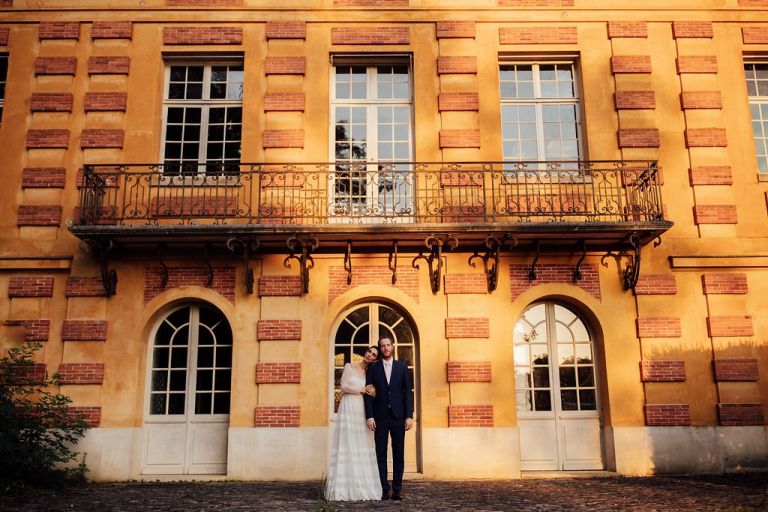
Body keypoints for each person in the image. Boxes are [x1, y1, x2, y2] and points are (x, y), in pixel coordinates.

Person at [325, 346, 382, 501]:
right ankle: (343, 487)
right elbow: (343, 387)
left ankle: (362, 485)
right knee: (347, 442)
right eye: (370, 352)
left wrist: (374, 393)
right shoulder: (349, 366)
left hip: (361, 409)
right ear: (366, 353)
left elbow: (375, 392)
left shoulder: (370, 373)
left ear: (375, 359)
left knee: (361, 443)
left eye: (374, 355)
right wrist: (361, 389)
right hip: (348, 406)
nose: (370, 355)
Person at [364, 336, 414, 501]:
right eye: (382, 346)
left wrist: (409, 416)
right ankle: (384, 489)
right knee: (381, 454)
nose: (385, 348)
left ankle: (397, 490)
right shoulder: (374, 368)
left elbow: (408, 392)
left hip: (399, 417)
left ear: (393, 347)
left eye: (388, 345)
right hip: (380, 417)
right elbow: (369, 394)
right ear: (380, 349)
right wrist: (370, 416)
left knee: (398, 453)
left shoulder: (402, 367)